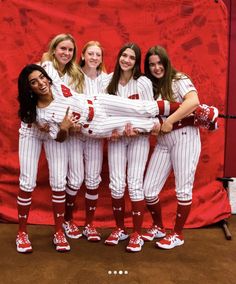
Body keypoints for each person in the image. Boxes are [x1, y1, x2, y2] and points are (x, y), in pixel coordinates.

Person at [142, 45, 216, 249]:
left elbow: (193, 102)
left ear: (166, 62)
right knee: (148, 190)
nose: (156, 67)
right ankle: (158, 228)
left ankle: (177, 234)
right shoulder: (152, 85)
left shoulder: (178, 79)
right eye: (152, 64)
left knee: (183, 190)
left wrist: (170, 121)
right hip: (164, 140)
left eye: (159, 63)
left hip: (185, 136)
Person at [16, 33, 83, 254]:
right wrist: (36, 120)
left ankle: (58, 231)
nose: (40, 83)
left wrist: (64, 127)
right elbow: (26, 115)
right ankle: (22, 233)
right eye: (34, 82)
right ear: (29, 87)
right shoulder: (31, 91)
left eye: (42, 78)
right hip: (32, 132)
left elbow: (61, 137)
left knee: (58, 182)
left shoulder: (60, 89)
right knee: (27, 181)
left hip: (56, 132)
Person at [103, 43, 156, 252]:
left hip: (138, 138)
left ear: (136, 62)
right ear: (118, 57)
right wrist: (110, 130)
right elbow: (101, 110)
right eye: (124, 55)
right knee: (116, 184)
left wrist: (140, 130)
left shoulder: (142, 82)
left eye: (131, 58)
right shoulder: (108, 80)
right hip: (115, 137)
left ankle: (136, 233)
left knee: (134, 184)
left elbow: (150, 111)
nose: (126, 60)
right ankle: (119, 228)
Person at [64, 41, 109, 242]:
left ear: (101, 58)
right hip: (75, 134)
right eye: (90, 53)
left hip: (95, 135)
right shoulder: (73, 76)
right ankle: (67, 220)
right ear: (82, 55)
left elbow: (110, 107)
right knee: (75, 179)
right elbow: (64, 102)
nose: (94, 58)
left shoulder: (106, 80)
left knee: (92, 179)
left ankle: (89, 224)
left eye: (98, 55)